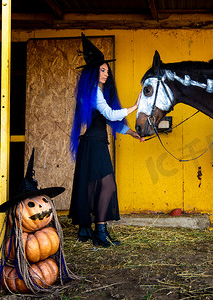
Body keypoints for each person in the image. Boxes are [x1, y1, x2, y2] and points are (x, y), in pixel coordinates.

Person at [69, 33, 143, 247]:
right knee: (107, 185)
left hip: (96, 143)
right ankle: (99, 230)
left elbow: (113, 123)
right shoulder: (93, 91)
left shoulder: (97, 91)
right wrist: (134, 107)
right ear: (94, 71)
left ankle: (97, 230)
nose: (106, 74)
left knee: (96, 188)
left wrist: (133, 133)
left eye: (107, 71)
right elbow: (111, 115)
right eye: (102, 70)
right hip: (93, 143)